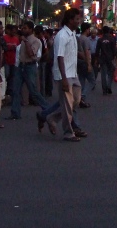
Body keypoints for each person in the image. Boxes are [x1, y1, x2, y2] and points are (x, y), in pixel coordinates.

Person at [47, 8, 84, 142]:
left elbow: (72, 53)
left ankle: (52, 117)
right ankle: (68, 133)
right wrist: (63, 79)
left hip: (73, 73)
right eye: (77, 19)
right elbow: (60, 57)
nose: (79, 21)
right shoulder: (62, 36)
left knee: (75, 101)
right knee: (68, 105)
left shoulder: (72, 34)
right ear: (70, 20)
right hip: (64, 74)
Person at [9, 22, 51, 120]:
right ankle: (15, 112)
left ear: (31, 29)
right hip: (21, 66)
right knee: (16, 90)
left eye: (25, 28)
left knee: (33, 91)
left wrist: (26, 41)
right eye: (23, 28)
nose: (23, 30)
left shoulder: (36, 41)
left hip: (30, 66)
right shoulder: (23, 40)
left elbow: (31, 53)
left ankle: (48, 109)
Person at [77, 22, 95, 108]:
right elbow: (87, 51)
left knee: (82, 80)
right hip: (84, 61)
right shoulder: (86, 39)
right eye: (89, 29)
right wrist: (89, 64)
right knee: (92, 81)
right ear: (87, 30)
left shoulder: (78, 38)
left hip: (79, 61)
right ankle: (82, 96)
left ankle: (79, 98)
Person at [96, 26, 117, 94]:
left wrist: (97, 59)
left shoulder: (100, 40)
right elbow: (114, 50)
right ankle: (109, 85)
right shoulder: (112, 39)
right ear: (108, 31)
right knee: (110, 73)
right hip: (110, 58)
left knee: (103, 74)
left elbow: (97, 51)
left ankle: (104, 89)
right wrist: (114, 57)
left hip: (103, 58)